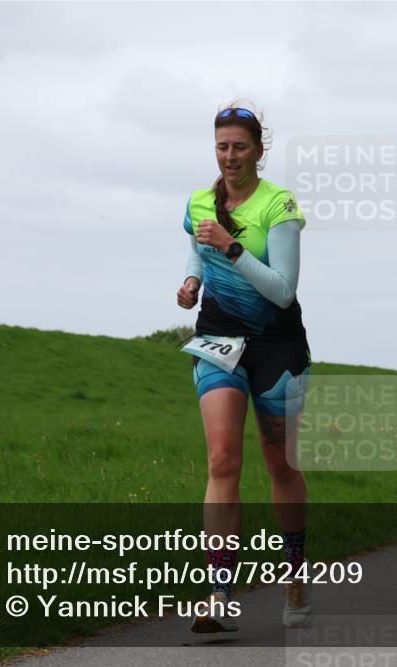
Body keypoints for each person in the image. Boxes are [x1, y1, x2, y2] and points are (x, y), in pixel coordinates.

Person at [177, 105, 312, 632]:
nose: (229, 156)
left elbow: (283, 290)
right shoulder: (199, 200)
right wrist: (191, 283)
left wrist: (232, 248)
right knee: (222, 461)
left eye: (239, 146)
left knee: (279, 465)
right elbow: (196, 246)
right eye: (221, 146)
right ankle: (219, 594)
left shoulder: (279, 205)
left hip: (276, 347)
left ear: (259, 150)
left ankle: (296, 576)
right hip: (216, 340)